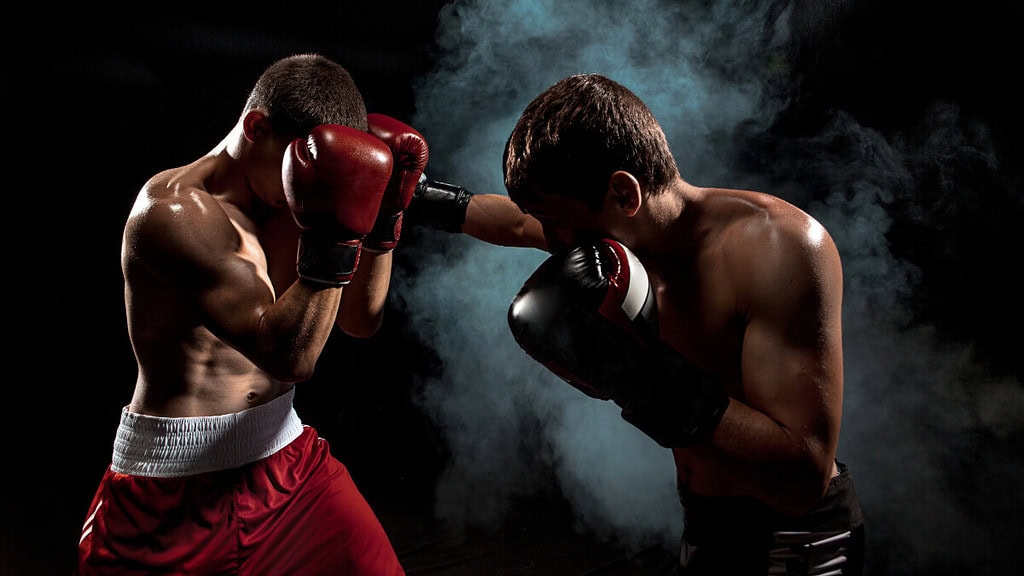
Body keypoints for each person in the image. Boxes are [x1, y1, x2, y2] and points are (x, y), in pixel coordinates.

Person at [410, 73, 864, 575]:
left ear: (626, 193)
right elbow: (519, 222)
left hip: (796, 539)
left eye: (557, 223)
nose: (554, 241)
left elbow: (803, 477)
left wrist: (638, 376)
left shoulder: (778, 250)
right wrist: (421, 198)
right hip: (705, 525)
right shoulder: (610, 238)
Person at [76, 53, 428, 575]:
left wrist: (380, 226)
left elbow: (361, 319)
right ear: (255, 126)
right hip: (171, 492)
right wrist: (336, 236)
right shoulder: (172, 212)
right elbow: (288, 353)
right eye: (296, 159)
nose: (302, 179)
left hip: (288, 468)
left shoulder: (294, 201)